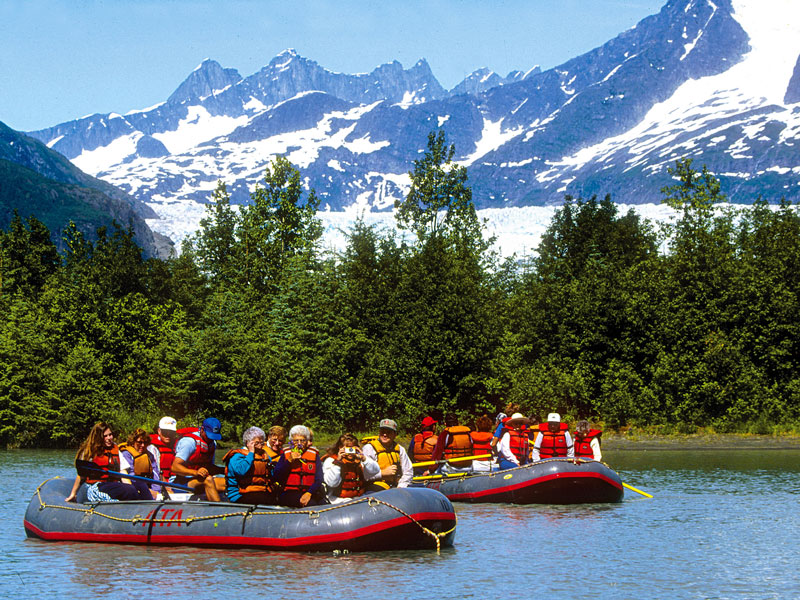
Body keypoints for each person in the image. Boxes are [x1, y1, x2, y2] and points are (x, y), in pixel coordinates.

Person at [65, 422, 152, 502]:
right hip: (98, 485)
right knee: (129, 490)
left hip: (113, 484)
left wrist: (130, 486)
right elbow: (81, 475)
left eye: (110, 435)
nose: (109, 438)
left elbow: (123, 473)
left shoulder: (115, 450)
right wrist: (73, 493)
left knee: (141, 485)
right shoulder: (89, 451)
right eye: (105, 436)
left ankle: (149, 508)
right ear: (99, 438)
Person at [223, 426, 287, 504]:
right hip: (239, 494)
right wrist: (251, 453)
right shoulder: (237, 456)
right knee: (263, 499)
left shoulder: (265, 456)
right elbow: (241, 471)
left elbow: (272, 474)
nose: (260, 445)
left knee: (277, 498)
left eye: (261, 442)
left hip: (260, 491)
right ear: (248, 443)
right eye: (257, 443)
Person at [171, 417, 226, 501]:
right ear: (202, 429)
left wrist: (225, 470)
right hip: (181, 483)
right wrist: (195, 472)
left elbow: (210, 467)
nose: (211, 439)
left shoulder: (212, 443)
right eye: (209, 435)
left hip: (199, 480)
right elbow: (174, 467)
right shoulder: (189, 442)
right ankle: (222, 511)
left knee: (228, 482)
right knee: (208, 480)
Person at [322, 433, 380, 504]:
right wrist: (338, 463)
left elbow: (375, 471)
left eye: (352, 448)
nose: (350, 451)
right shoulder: (330, 461)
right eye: (347, 448)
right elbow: (332, 483)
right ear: (340, 448)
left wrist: (364, 458)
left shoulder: (359, 461)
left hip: (359, 498)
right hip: (339, 500)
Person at [277, 425, 325, 507]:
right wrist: (289, 461)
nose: (299, 444)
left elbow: (319, 479)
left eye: (302, 441)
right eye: (296, 441)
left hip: (310, 491)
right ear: (291, 441)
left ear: (307, 441)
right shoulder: (285, 454)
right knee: (311, 504)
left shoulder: (314, 455)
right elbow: (277, 476)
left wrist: (309, 492)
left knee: (324, 504)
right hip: (289, 493)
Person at [362, 419, 413, 491]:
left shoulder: (400, 449)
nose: (385, 435)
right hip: (375, 487)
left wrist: (401, 486)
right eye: (382, 431)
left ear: (395, 434)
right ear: (379, 433)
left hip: (396, 486)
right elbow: (364, 476)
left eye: (388, 432)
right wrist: (382, 474)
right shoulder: (369, 448)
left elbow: (408, 471)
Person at [118, 427, 162, 499]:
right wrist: (147, 491)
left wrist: (157, 492)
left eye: (145, 443)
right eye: (139, 442)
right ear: (133, 442)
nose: (142, 445)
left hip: (149, 489)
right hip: (135, 489)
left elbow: (155, 475)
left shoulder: (149, 455)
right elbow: (131, 475)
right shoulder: (126, 454)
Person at [148, 416, 178, 481]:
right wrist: (167, 486)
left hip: (173, 481)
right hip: (158, 482)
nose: (168, 435)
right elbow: (155, 470)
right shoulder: (152, 447)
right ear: (159, 431)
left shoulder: (177, 445)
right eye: (165, 432)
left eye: (171, 433)